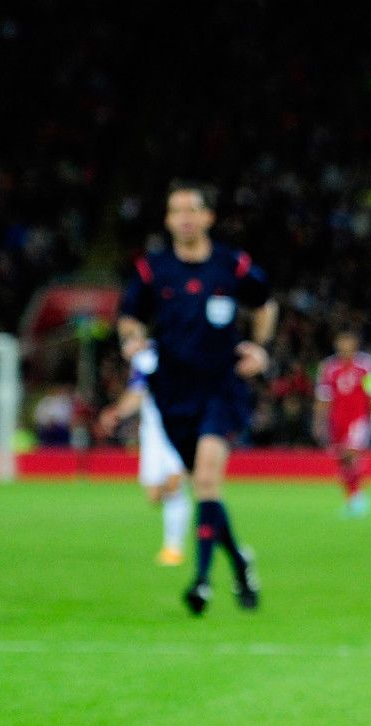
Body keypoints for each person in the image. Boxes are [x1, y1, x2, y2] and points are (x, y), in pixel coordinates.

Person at [117, 180, 277, 615]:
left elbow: (264, 303)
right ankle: (240, 562)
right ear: (168, 221)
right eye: (175, 212)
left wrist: (259, 346)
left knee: (206, 481)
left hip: (221, 388)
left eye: (191, 210)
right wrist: (131, 341)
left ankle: (202, 581)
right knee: (206, 489)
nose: (183, 218)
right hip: (170, 392)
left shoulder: (232, 265)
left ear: (208, 217)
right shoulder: (153, 269)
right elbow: (130, 318)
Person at [98, 335, 192, 565]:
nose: (125, 351)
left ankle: (174, 547)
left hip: (179, 428)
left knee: (174, 484)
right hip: (152, 434)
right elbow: (137, 393)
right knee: (154, 495)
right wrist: (118, 413)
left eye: (126, 345)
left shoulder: (174, 351)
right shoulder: (144, 361)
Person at [314, 328, 371, 518]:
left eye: (348, 341)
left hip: (359, 419)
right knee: (342, 460)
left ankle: (358, 499)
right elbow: (323, 397)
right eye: (341, 341)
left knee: (351, 455)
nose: (344, 345)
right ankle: (353, 497)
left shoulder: (368, 365)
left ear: (355, 343)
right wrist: (319, 421)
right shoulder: (328, 367)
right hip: (337, 420)